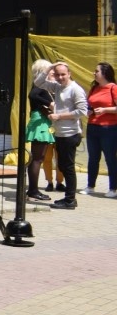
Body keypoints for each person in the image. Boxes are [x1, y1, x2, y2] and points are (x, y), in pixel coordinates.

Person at [49, 62, 88, 209]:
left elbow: (82, 111)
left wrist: (59, 116)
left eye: (63, 74)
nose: (60, 77)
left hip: (70, 133)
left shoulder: (75, 89)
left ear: (69, 74)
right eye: (57, 74)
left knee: (68, 167)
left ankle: (70, 200)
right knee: (62, 165)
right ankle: (69, 197)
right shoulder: (58, 87)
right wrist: (51, 66)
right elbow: (39, 82)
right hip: (60, 133)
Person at [84, 62, 117, 197]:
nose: (94, 73)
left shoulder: (113, 88)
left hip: (109, 128)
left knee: (110, 158)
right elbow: (89, 104)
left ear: (105, 73)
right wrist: (89, 111)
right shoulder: (94, 88)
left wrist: (105, 110)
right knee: (93, 158)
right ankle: (90, 186)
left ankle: (113, 188)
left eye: (96, 71)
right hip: (92, 127)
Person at [25, 59, 55, 201]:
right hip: (40, 122)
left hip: (41, 121)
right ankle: (33, 190)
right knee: (37, 158)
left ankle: (33, 189)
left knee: (38, 158)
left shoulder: (43, 86)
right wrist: (49, 103)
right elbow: (32, 95)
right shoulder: (39, 85)